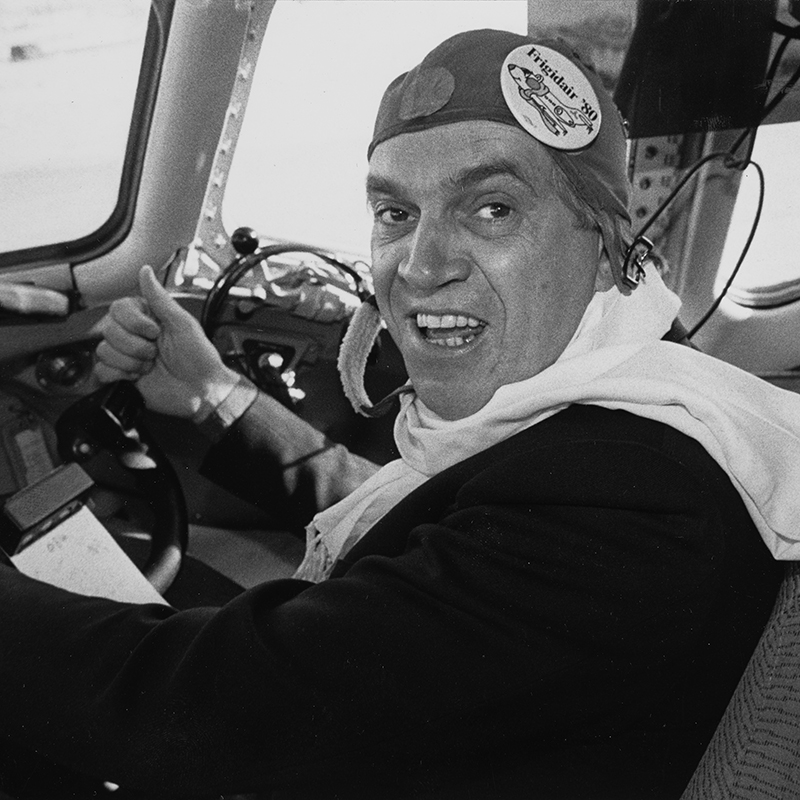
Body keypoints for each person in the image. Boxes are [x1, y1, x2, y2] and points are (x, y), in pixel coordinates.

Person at [2, 28, 800, 800]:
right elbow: (436, 518)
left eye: (491, 209)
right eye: (395, 213)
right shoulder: (609, 428)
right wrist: (217, 401)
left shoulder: (631, 504)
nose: (421, 266)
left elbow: (209, 707)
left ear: (604, 246)